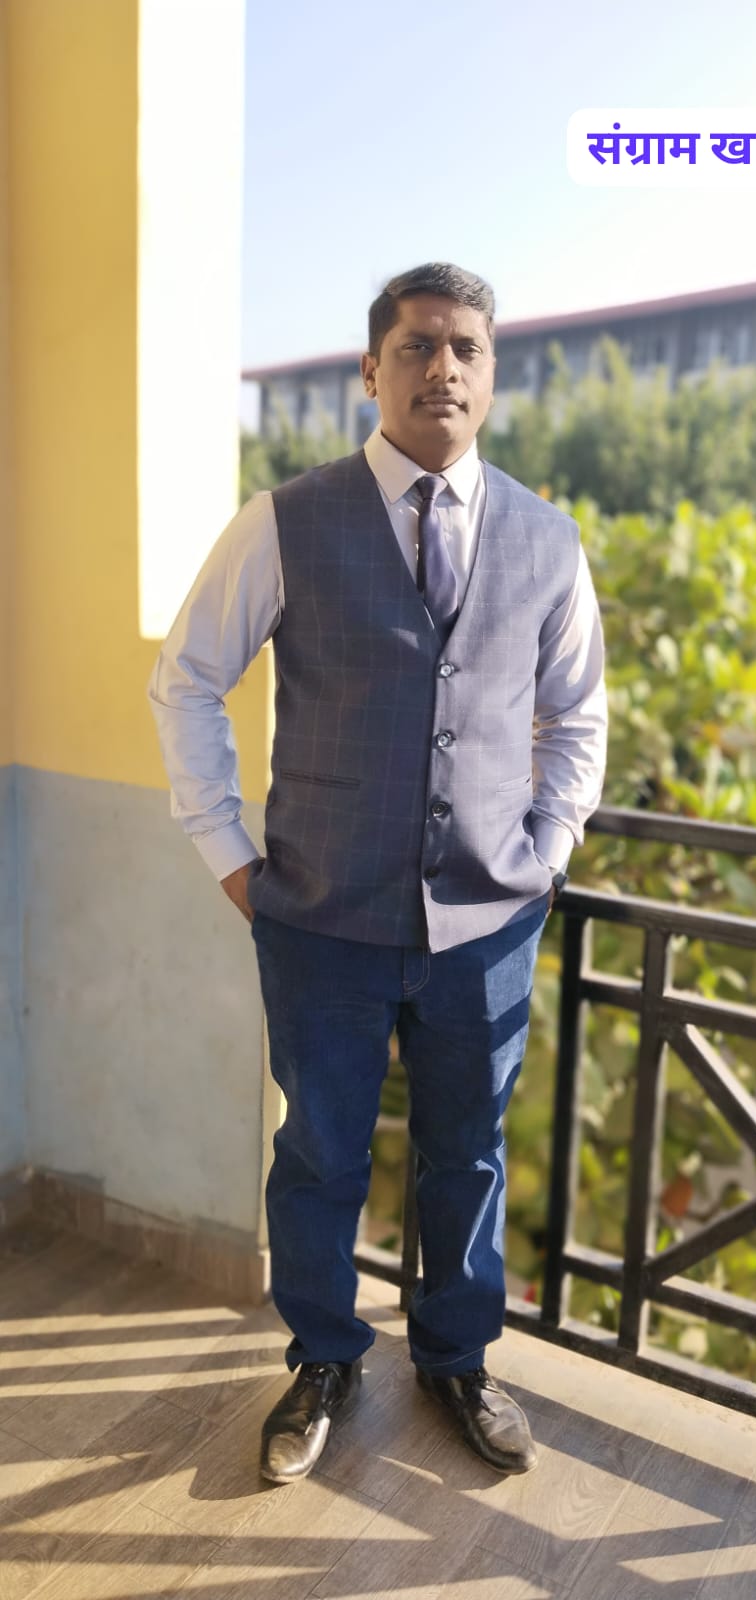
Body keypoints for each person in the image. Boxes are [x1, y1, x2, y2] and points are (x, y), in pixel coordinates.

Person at [148, 262, 607, 1483]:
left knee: (468, 1154)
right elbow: (185, 679)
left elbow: (576, 717)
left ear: (491, 376)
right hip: (319, 919)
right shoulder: (285, 520)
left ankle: (458, 1359)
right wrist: (228, 852)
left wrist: (549, 851)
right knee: (320, 1153)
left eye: (465, 348)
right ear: (371, 369)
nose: (441, 368)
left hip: (488, 924)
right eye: (415, 346)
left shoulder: (549, 540)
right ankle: (322, 1359)